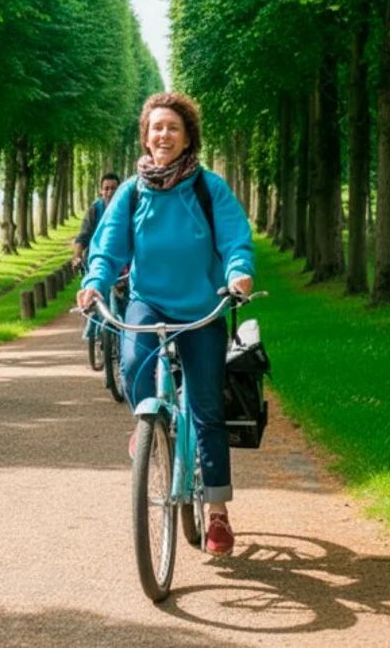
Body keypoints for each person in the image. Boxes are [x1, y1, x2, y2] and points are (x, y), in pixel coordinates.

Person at [76, 92, 255, 558]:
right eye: (156, 127)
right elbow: (108, 246)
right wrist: (95, 282)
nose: (164, 134)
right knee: (133, 360)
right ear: (146, 134)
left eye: (173, 127)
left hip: (201, 307)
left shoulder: (207, 187)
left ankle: (217, 513)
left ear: (187, 135)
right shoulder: (132, 192)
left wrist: (238, 273)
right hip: (148, 303)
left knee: (207, 407)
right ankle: (148, 422)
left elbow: (236, 238)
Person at [71, 172, 120, 271]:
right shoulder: (95, 209)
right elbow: (83, 237)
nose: (110, 192)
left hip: (121, 261)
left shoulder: (129, 208)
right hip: (96, 260)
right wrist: (77, 256)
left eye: (113, 188)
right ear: (101, 191)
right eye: (106, 189)